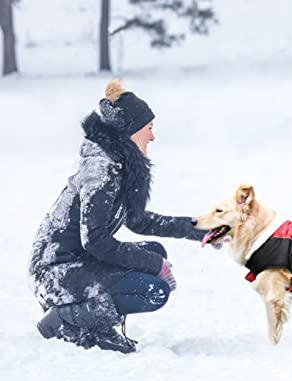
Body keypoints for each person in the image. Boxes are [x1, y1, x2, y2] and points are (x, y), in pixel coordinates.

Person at [28, 79, 208, 354]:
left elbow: (138, 221)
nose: (152, 136)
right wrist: (155, 264)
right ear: (133, 130)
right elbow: (96, 241)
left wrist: (199, 229)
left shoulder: (119, 166)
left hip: (77, 264)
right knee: (153, 289)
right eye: (149, 128)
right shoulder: (102, 171)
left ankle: (90, 317)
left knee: (154, 251)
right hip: (53, 274)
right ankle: (66, 320)